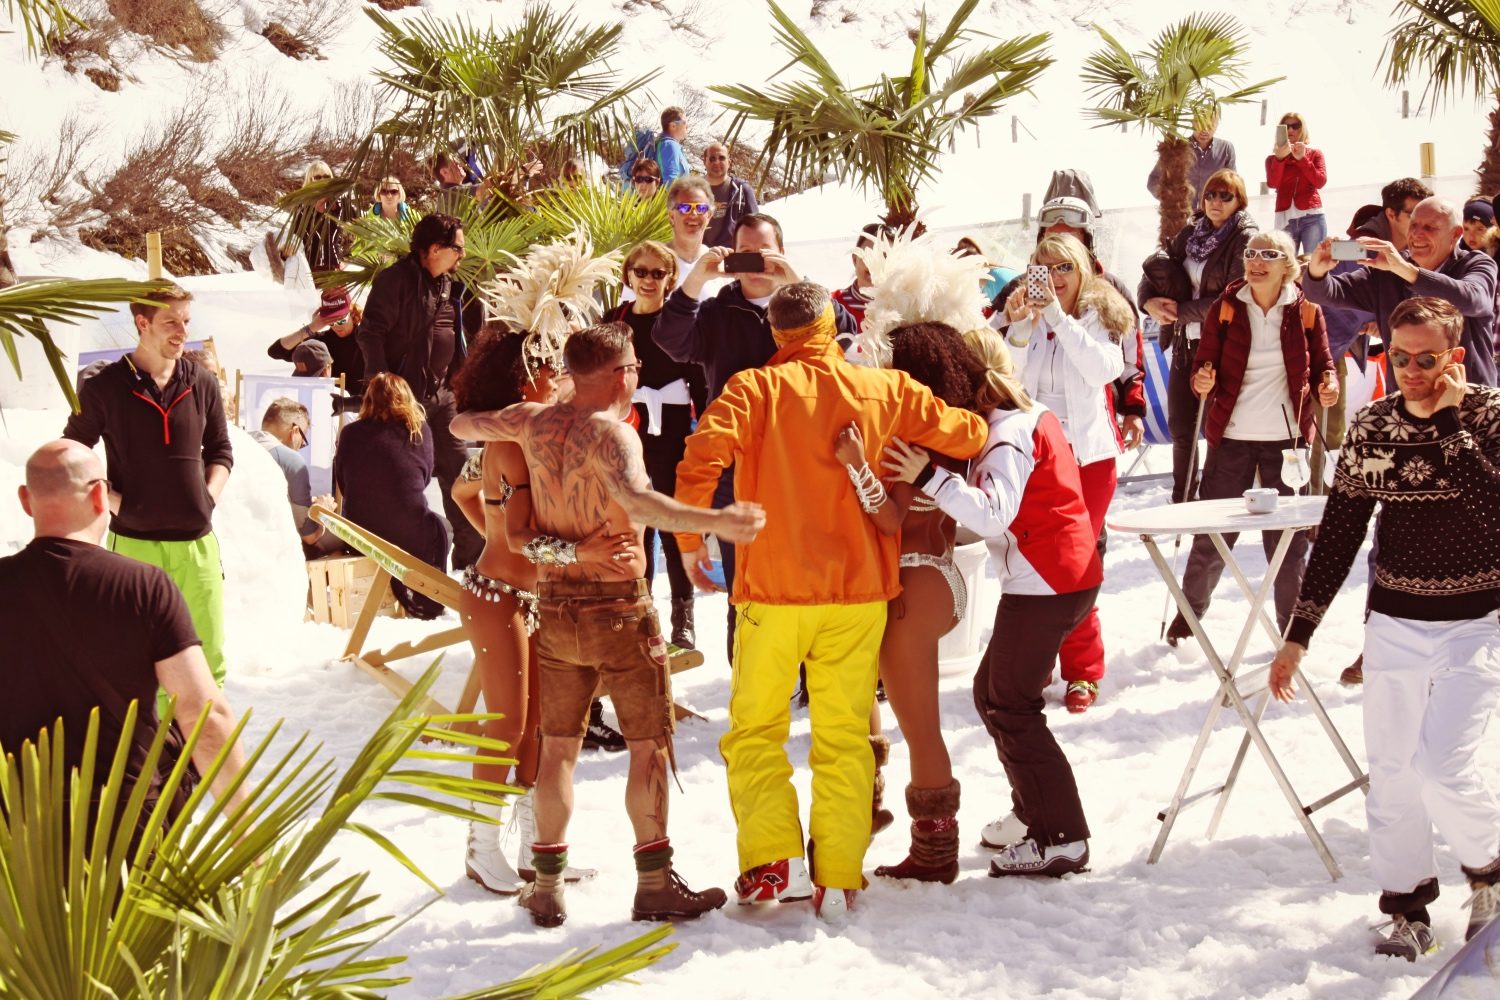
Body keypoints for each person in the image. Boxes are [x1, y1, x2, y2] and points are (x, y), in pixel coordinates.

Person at [673, 283, 987, 920]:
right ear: (829, 323)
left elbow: (700, 457)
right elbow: (971, 432)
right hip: (858, 591)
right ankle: (840, 872)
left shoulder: (751, 389)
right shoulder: (885, 388)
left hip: (773, 592)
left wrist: (688, 541)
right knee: (844, 735)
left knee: (756, 730)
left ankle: (775, 864)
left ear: (776, 333)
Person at [449, 322, 766, 929]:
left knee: (558, 751)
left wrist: (512, 411)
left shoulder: (532, 421)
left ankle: (544, 885)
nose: (638, 378)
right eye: (636, 369)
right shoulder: (614, 435)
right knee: (647, 746)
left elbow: (462, 425)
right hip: (618, 608)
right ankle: (653, 884)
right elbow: (642, 503)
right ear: (621, 374)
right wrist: (715, 520)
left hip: (556, 607)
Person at [1269, 297, 1500, 962]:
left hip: (1477, 623)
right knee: (1394, 775)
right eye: (1397, 357)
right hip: (1395, 623)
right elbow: (1341, 531)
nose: (1410, 370)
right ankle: (1408, 910)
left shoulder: (1487, 416)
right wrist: (1298, 634)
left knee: (1443, 767)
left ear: (1454, 359)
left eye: (1426, 359)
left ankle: (1490, 873)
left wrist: (1451, 425)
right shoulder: (1371, 424)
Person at [882, 328, 1102, 880]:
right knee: (992, 694)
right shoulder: (1020, 420)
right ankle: (1036, 813)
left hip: (1048, 583)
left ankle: (1063, 836)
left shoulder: (1007, 434)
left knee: (1011, 705)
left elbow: (992, 515)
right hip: (1055, 578)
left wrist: (927, 476)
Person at [449, 329, 631, 893]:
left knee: (535, 727)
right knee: (507, 724)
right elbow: (524, 535)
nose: (560, 377)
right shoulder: (512, 443)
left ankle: (534, 850)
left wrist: (495, 536)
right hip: (497, 599)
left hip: (521, 597)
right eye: (550, 369)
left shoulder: (518, 439)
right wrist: (579, 553)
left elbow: (462, 493)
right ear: (527, 380)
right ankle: (481, 848)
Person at [0, 440, 249, 846]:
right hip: (124, 833)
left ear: (26, 501)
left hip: (17, 839)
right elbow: (202, 713)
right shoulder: (144, 587)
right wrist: (247, 834)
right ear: (101, 495)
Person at [654, 213, 860, 652]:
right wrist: (697, 278)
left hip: (804, 464)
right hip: (736, 467)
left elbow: (848, 336)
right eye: (744, 252)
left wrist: (796, 282)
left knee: (807, 571)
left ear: (781, 253)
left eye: (763, 254)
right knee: (744, 580)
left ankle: (808, 673)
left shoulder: (807, 309)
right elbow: (669, 339)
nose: (753, 266)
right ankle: (747, 682)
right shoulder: (718, 310)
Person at [846, 321, 988, 883]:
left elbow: (890, 515)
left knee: (922, 728)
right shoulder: (952, 431)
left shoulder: (909, 439)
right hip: (933, 578)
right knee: (878, 701)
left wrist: (856, 465)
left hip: (913, 584)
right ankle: (881, 806)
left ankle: (934, 854)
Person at [1165, 230, 1338, 644]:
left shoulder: (1308, 310)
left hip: (1288, 439)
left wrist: (1326, 384)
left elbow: (1323, 367)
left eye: (1269, 254)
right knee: (1212, 537)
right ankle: (1188, 622)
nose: (1257, 261)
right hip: (1233, 437)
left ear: (1287, 266)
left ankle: (1293, 632)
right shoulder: (1225, 307)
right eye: (1251, 253)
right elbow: (1202, 367)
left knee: (1288, 546)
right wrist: (1202, 378)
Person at [62, 283, 233, 689]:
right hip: (134, 548)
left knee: (209, 665)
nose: (182, 331)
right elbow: (70, 454)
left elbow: (221, 451)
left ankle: (204, 750)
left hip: (198, 548)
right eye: (171, 321)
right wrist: (114, 501)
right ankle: (148, 751)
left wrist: (208, 497)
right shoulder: (105, 388)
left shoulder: (202, 382)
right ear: (142, 323)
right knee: (138, 663)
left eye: (186, 321)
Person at [995, 233, 1130, 711]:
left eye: (1063, 269)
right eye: (1043, 267)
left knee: (1078, 566)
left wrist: (1055, 316)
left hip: (1089, 461)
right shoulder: (1023, 311)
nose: (1053, 278)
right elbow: (1007, 380)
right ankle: (1038, 663)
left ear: (1082, 272)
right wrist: (1018, 327)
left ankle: (1084, 670)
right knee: (1038, 568)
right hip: (1039, 459)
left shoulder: (1100, 316)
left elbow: (1100, 371)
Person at [357, 212, 482, 570]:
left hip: (443, 397)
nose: (463, 255)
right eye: (457, 248)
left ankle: (469, 563)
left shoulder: (452, 285)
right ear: (433, 249)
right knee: (401, 482)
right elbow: (371, 332)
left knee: (460, 477)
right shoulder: (394, 281)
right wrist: (383, 385)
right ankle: (399, 567)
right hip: (401, 399)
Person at [1139, 168, 1260, 503]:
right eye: (1210, 194)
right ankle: (1182, 499)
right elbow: (1157, 265)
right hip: (1184, 342)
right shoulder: (1193, 231)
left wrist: (1180, 311)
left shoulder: (1245, 238)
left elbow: (1234, 296)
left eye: (1225, 196)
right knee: (1182, 428)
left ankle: (1215, 501)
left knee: (1220, 429)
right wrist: (1147, 301)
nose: (1216, 202)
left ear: (1239, 201)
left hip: (1222, 345)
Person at [611, 241, 705, 648]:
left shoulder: (682, 322)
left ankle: (683, 614)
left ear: (670, 280)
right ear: (628, 275)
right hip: (628, 428)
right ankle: (641, 611)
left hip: (673, 432)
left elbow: (700, 378)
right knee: (635, 525)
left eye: (657, 273)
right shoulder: (614, 321)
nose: (648, 279)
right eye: (641, 271)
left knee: (669, 520)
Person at [1305, 196, 1498, 387]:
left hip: (1468, 400)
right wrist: (1317, 270)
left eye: (1429, 228)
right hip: (1407, 403)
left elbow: (1471, 299)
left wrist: (1405, 270)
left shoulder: (1476, 263)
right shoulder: (1389, 270)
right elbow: (1326, 293)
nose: (1417, 234)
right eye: (1413, 225)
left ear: (1455, 234)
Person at [334, 373, 449, 620]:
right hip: (410, 530)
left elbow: (343, 480)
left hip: (360, 531)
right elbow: (424, 476)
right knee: (442, 528)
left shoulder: (350, 433)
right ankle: (428, 597)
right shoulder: (419, 431)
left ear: (368, 400)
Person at [252, 398, 340, 558]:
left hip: (233, 543)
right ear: (294, 431)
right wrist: (323, 513)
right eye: (303, 441)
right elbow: (310, 536)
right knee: (341, 540)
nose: (300, 447)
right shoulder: (290, 460)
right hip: (272, 550)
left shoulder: (237, 445)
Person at [268, 287, 365, 387]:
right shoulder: (321, 343)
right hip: (326, 400)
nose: (336, 326)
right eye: (330, 321)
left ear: (352, 313)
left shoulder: (368, 339)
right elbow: (275, 352)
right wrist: (311, 328)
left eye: (341, 320)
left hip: (364, 401)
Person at [1266, 112, 1327, 253]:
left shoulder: (1315, 154)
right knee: (1285, 267)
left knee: (1313, 264)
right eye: (1286, 127)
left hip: (1312, 216)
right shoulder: (1272, 159)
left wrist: (1302, 159)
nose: (1290, 130)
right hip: (1285, 218)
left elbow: (1320, 182)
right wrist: (1280, 159)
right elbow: (1273, 183)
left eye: (1295, 126)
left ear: (1302, 129)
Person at [1147, 110, 1237, 208]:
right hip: (1181, 216)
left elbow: (1233, 184)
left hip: (1212, 216)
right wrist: (1170, 200)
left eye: (1210, 125)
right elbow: (1153, 180)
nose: (1205, 130)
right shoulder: (1176, 148)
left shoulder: (1226, 148)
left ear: (1217, 125)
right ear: (1192, 122)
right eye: (1200, 124)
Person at [702, 142, 759, 248]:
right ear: (704, 161)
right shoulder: (692, 190)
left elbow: (755, 227)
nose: (717, 162)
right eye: (712, 158)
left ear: (729, 162)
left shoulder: (742, 190)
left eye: (722, 158)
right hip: (699, 255)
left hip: (731, 257)